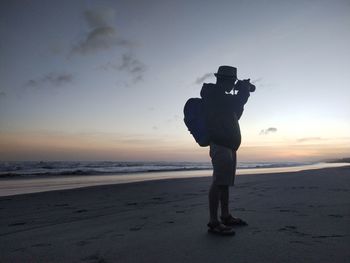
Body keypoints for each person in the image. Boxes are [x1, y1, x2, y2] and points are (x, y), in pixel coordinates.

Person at [200, 65, 251, 235]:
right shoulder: (213, 93)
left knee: (224, 182)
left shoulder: (225, 97)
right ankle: (213, 222)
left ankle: (225, 215)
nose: (233, 85)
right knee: (218, 181)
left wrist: (241, 96)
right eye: (232, 81)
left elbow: (235, 114)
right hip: (220, 144)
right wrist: (243, 93)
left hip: (229, 145)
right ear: (226, 80)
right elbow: (233, 103)